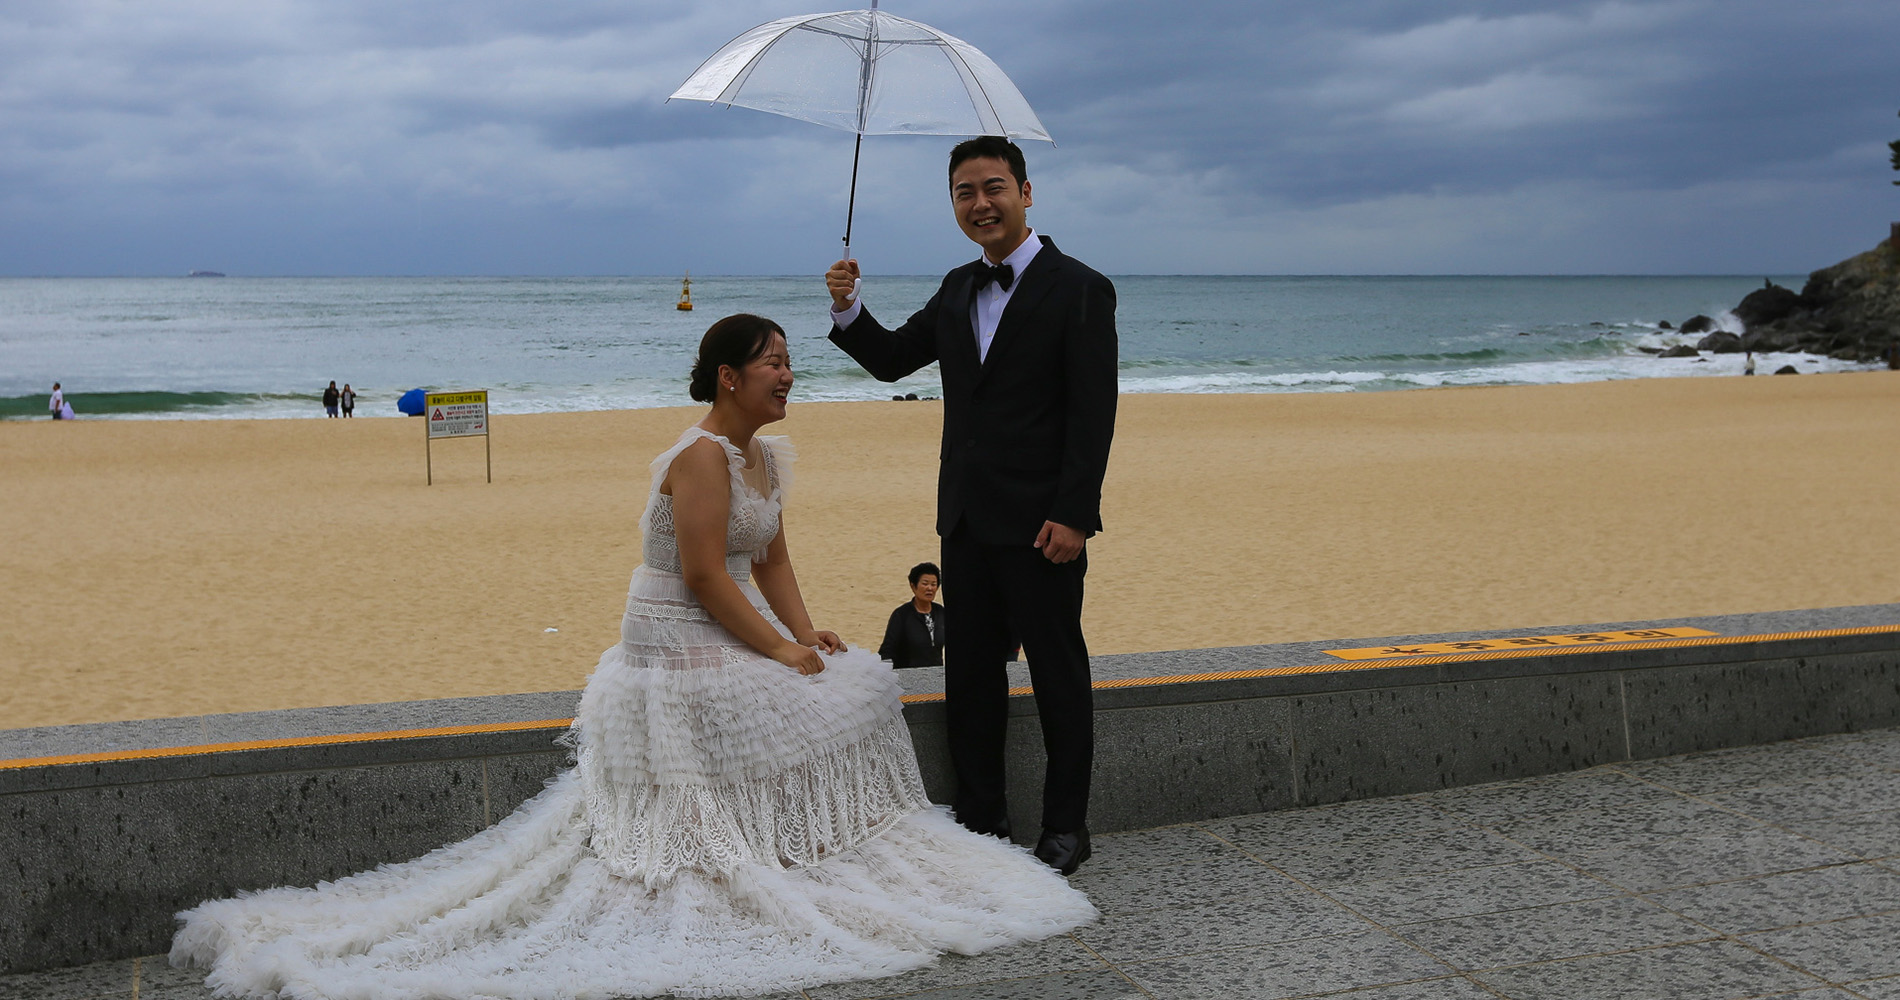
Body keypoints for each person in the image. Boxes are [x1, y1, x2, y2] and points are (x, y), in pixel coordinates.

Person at [171, 313, 1093, 999]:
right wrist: (775, 650)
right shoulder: (696, 457)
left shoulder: (768, 458)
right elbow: (701, 575)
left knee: (852, 683)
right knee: (803, 697)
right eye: (775, 362)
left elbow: (768, 554)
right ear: (729, 377)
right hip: (675, 638)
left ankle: (800, 839)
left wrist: (805, 633)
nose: (788, 375)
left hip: (731, 619)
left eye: (789, 362)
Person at [826, 136, 1117, 875]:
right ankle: (982, 817)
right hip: (965, 519)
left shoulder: (1081, 286)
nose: (980, 204)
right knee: (972, 676)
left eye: (993, 188)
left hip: (1045, 525)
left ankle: (1065, 827)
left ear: (1026, 192)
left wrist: (1076, 514)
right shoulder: (957, 287)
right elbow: (893, 359)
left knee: (1057, 672)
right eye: (964, 192)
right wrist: (849, 307)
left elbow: (1093, 412)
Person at [879, 562, 947, 668]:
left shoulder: (941, 612)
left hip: (936, 676)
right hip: (908, 675)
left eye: (933, 584)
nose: (930, 588)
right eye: (925, 584)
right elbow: (887, 651)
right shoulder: (901, 615)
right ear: (913, 586)